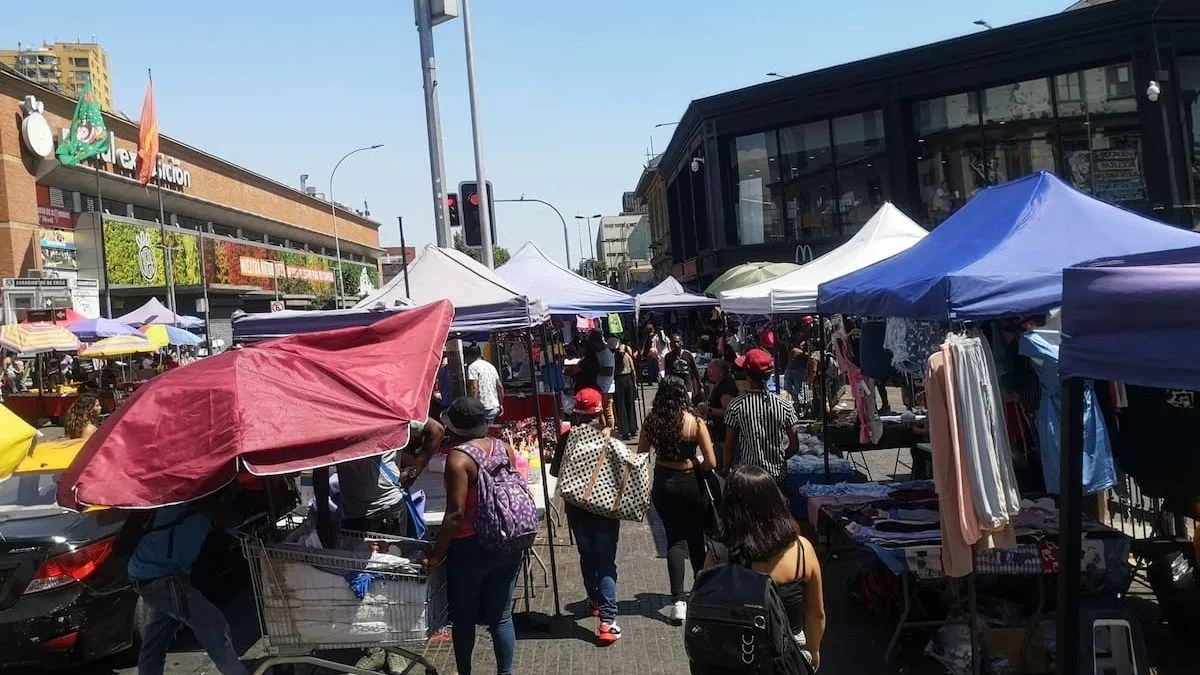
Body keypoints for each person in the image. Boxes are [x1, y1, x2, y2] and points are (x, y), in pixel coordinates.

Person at [424, 397, 524, 675]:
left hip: (470, 547)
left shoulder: (459, 459)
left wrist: (436, 554)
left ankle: (465, 672)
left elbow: (455, 514)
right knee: (501, 616)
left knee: (464, 618)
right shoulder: (504, 448)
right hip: (506, 541)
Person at [337, 416, 444, 673]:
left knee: (393, 582)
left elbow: (436, 430)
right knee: (364, 584)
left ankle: (395, 648)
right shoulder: (335, 412)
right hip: (354, 516)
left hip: (388, 512)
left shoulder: (388, 409)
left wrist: (414, 469)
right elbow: (321, 465)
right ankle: (375, 647)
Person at [704, 465, 826, 671]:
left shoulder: (718, 554)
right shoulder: (802, 550)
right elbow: (816, 614)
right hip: (790, 656)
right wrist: (813, 652)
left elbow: (706, 611)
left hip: (737, 655)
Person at [124, 494, 251, 675]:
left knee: (156, 640)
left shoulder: (206, 500)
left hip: (160, 574)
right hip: (160, 577)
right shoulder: (190, 496)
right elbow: (228, 518)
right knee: (212, 624)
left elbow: (234, 525)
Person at [638, 377, 717, 623]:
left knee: (674, 539)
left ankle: (678, 601)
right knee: (696, 538)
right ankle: (701, 592)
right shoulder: (695, 422)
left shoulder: (652, 422)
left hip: (663, 482)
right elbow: (711, 462)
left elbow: (641, 456)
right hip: (691, 482)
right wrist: (696, 463)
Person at [557, 387, 624, 644]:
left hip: (577, 510)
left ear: (576, 412)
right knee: (606, 561)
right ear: (599, 412)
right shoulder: (610, 439)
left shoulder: (568, 438)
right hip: (606, 510)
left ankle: (595, 599)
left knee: (587, 556)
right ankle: (607, 621)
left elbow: (557, 473)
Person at [723, 348, 800, 484]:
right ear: (769, 375)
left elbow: (729, 447)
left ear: (747, 375)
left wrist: (725, 471)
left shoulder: (736, 406)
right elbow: (794, 446)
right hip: (776, 477)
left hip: (748, 478)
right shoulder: (784, 405)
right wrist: (779, 459)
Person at [697, 360, 739, 471]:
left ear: (721, 372)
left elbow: (728, 411)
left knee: (722, 467)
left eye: (712, 368)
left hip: (724, 434)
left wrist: (709, 410)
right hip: (718, 434)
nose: (708, 371)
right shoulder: (718, 384)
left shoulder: (726, 386)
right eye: (708, 368)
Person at [465, 344, 504, 424]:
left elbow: (474, 387)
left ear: (469, 356)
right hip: (494, 407)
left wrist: (473, 406)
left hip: (482, 408)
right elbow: (500, 387)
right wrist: (501, 404)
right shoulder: (490, 366)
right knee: (490, 429)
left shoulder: (472, 367)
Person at [610, 335, 639, 440]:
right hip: (628, 379)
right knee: (629, 403)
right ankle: (632, 428)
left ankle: (625, 430)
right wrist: (634, 382)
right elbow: (633, 369)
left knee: (621, 405)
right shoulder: (626, 356)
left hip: (619, 380)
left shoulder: (613, 357)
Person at [664, 333, 702, 400]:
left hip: (687, 386)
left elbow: (695, 370)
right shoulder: (668, 356)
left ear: (681, 342)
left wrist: (700, 384)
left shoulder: (688, 355)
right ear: (671, 343)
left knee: (687, 402)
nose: (676, 344)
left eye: (677, 342)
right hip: (675, 387)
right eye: (674, 342)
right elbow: (667, 372)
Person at [596, 333, 617, 428]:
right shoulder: (600, 353)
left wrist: (596, 369)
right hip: (601, 386)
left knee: (607, 411)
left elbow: (609, 371)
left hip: (607, 387)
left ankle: (610, 431)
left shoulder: (607, 354)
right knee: (601, 411)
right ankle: (605, 429)